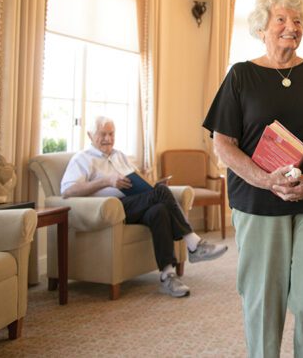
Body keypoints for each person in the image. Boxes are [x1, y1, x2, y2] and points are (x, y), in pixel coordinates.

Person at [203, 0, 303, 358]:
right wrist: (265, 179)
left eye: (297, 20)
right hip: (258, 201)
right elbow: (222, 143)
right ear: (262, 28)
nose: (292, 27)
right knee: (263, 298)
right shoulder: (240, 76)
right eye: (282, 19)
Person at [60, 116, 228, 298]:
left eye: (111, 134)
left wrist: (150, 184)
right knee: (161, 192)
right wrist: (106, 181)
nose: (108, 138)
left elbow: (135, 179)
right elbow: (68, 190)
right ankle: (194, 244)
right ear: (90, 135)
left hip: (134, 202)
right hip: (112, 209)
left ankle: (168, 275)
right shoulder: (82, 159)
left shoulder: (119, 155)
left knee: (159, 210)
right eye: (103, 134)